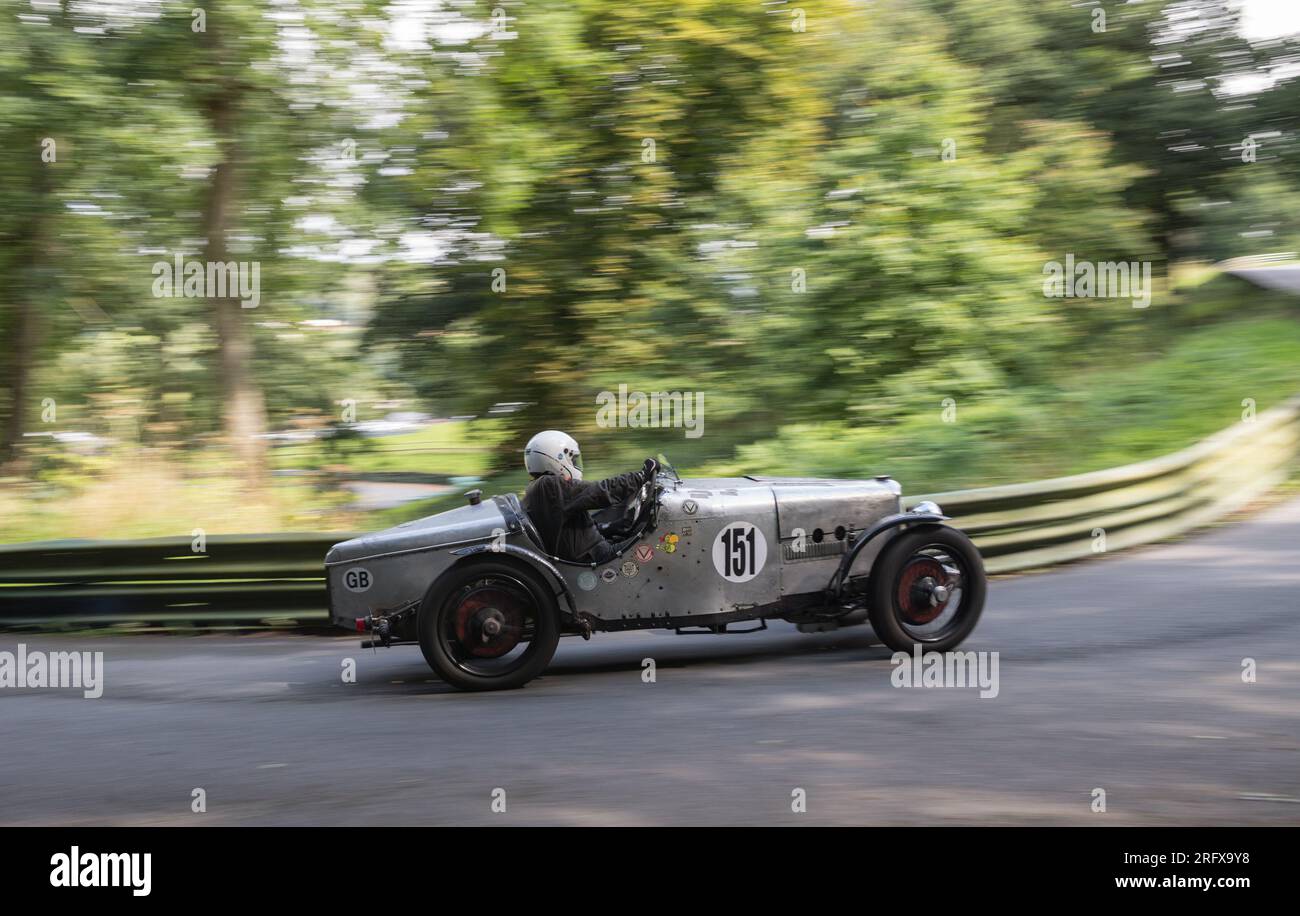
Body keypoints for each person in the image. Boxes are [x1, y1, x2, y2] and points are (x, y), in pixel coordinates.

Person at [522, 429, 657, 563]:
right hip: (597, 558)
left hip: (589, 552)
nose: (576, 464)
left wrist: (612, 527)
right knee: (657, 541)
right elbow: (599, 491)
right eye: (573, 459)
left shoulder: (537, 489)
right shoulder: (550, 486)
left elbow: (571, 529)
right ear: (556, 459)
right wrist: (640, 477)